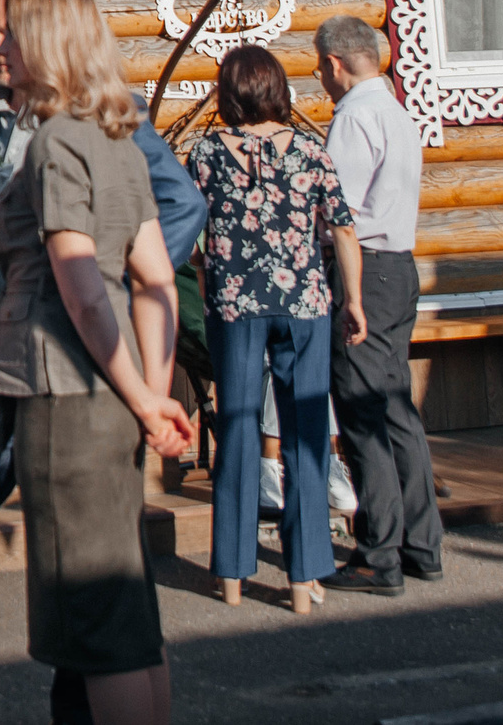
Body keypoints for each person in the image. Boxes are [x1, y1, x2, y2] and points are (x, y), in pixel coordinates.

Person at [0, 0, 202, 725]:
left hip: (63, 379)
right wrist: (152, 393)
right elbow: (154, 279)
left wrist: (146, 395)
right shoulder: (98, 129)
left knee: (91, 619)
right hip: (75, 375)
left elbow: (85, 284)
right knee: (123, 611)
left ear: (46, 39)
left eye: (9, 32)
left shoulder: (61, 139)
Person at [187, 43, 364, 614]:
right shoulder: (311, 150)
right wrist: (354, 300)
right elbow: (342, 228)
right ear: (277, 90)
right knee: (305, 435)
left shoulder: (206, 153)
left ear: (229, 93)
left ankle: (232, 575)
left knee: (238, 429)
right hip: (304, 303)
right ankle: (304, 577)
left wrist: (206, 267)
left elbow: (187, 228)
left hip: (235, 305)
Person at [315, 15, 445, 595]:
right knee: (395, 407)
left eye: (321, 67)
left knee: (363, 411)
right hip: (399, 264)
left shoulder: (353, 118)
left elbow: (338, 213)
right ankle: (422, 544)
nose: (321, 77)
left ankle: (379, 553)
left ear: (335, 63)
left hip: (362, 268)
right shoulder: (395, 111)